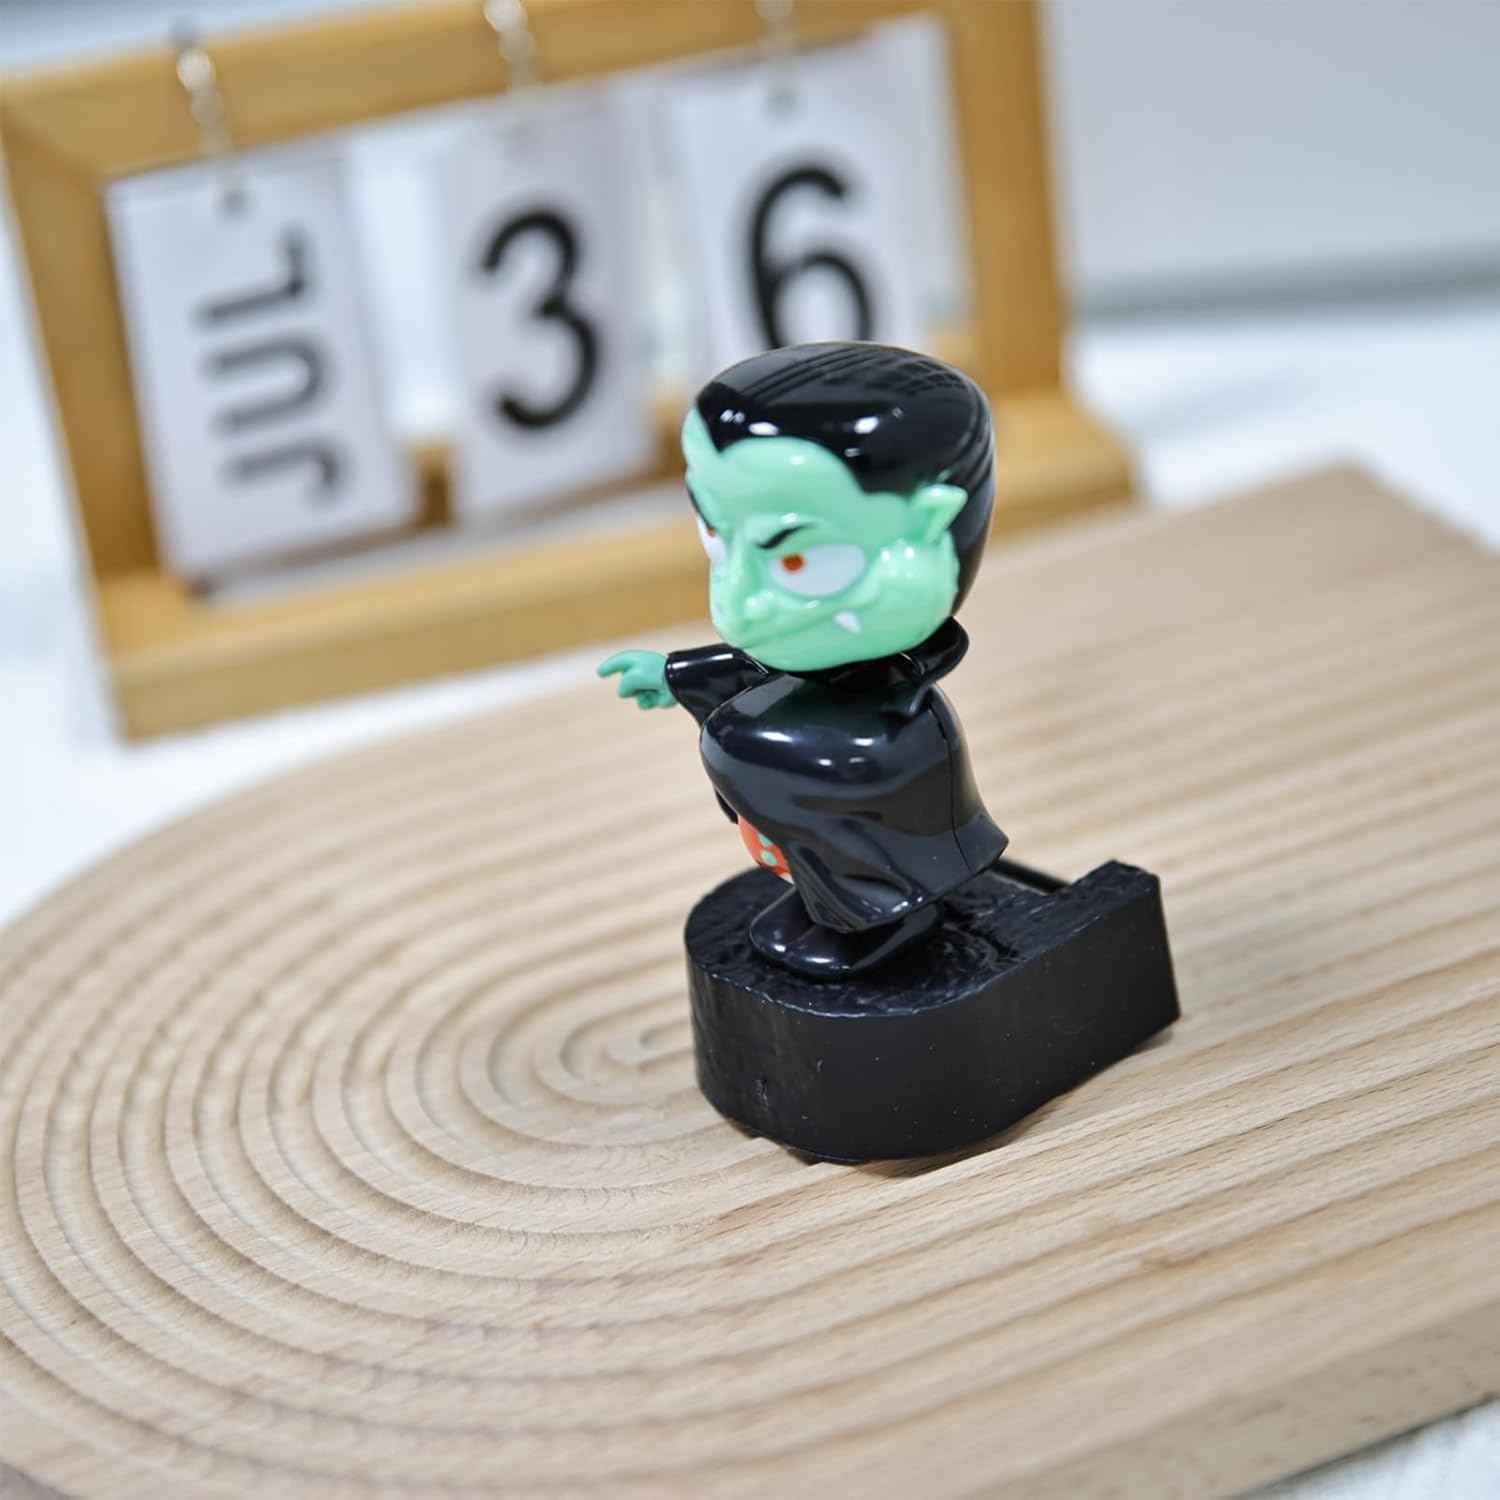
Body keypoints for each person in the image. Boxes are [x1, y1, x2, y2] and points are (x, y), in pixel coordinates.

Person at [599, 341, 1007, 979]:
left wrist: (737, 739)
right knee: (753, 738)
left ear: (930, 527)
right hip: (816, 807)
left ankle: (881, 915)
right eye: (716, 537)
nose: (736, 602)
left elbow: (767, 697)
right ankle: (832, 903)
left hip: (879, 769)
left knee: (757, 744)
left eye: (795, 559)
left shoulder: (899, 715)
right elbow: (766, 675)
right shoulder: (800, 667)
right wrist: (674, 676)